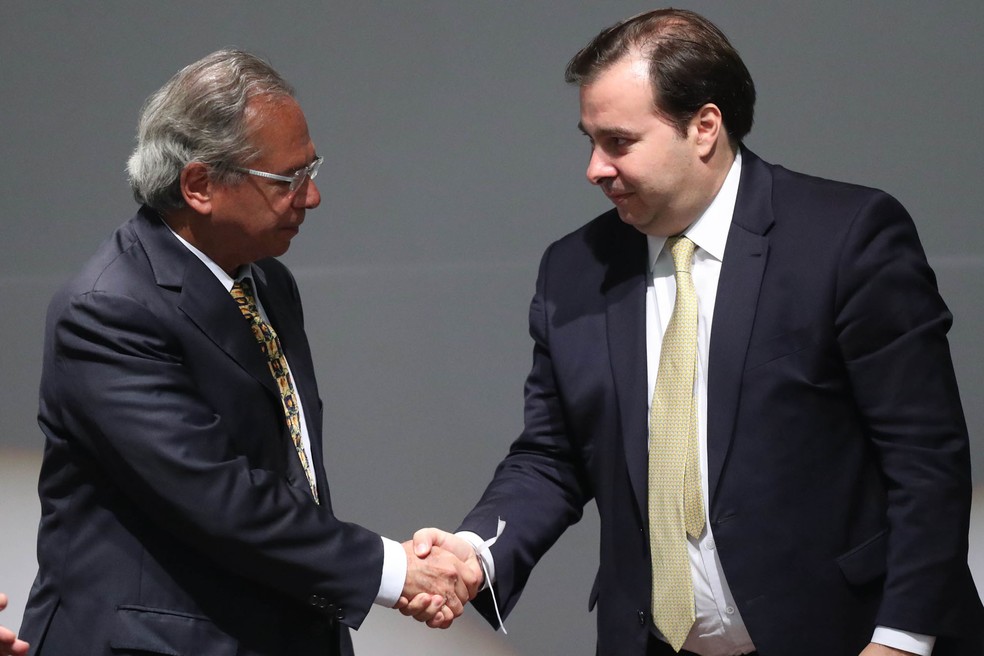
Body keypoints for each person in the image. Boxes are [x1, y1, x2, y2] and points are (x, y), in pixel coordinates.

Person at [413, 8, 984, 656]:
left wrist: (902, 640)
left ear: (705, 127)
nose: (595, 168)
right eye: (589, 140)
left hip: (849, 636)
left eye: (619, 141)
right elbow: (552, 455)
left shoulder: (845, 239)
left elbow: (926, 461)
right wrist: (473, 553)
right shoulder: (573, 271)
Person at [18, 49, 479, 656]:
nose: (310, 198)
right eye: (289, 179)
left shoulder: (262, 281)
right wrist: (396, 571)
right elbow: (218, 496)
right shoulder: (110, 309)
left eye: (311, 169)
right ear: (200, 186)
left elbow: (290, 473)